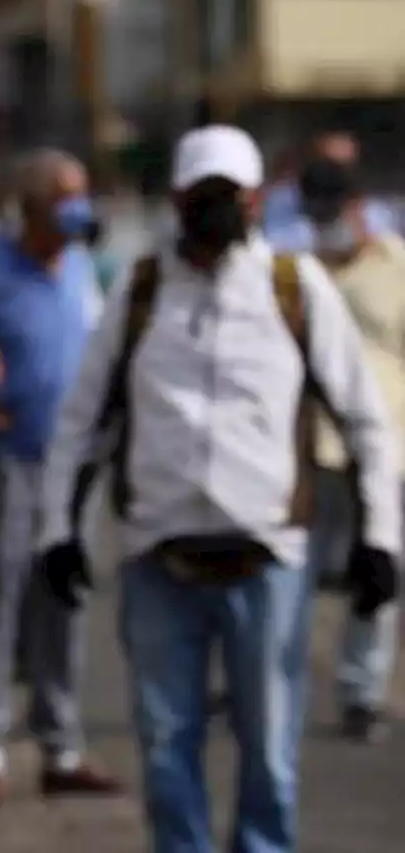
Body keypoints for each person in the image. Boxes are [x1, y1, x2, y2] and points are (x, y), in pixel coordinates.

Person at [39, 125, 400, 853]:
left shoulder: (296, 290)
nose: (215, 209)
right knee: (167, 744)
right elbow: (79, 423)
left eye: (228, 195)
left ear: (257, 200)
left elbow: (365, 420)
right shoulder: (140, 291)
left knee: (269, 749)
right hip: (157, 555)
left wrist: (380, 539)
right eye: (202, 195)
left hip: (268, 557)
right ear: (177, 199)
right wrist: (59, 532)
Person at [0, 147, 120, 806]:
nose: (78, 209)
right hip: (9, 457)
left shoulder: (82, 266)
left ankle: (61, 742)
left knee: (65, 596)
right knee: (1, 592)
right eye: (63, 197)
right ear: (29, 207)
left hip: (75, 464)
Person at [299, 155, 405, 742]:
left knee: (378, 574)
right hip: (314, 451)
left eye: (334, 212)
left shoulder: (397, 268)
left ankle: (362, 693)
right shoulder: (302, 275)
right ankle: (268, 681)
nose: (326, 224)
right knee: (295, 575)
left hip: (385, 449)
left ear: (359, 208)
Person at [262, 131, 396, 252]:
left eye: (340, 169)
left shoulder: (376, 215)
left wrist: (359, 227)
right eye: (326, 165)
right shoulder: (281, 203)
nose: (330, 177)